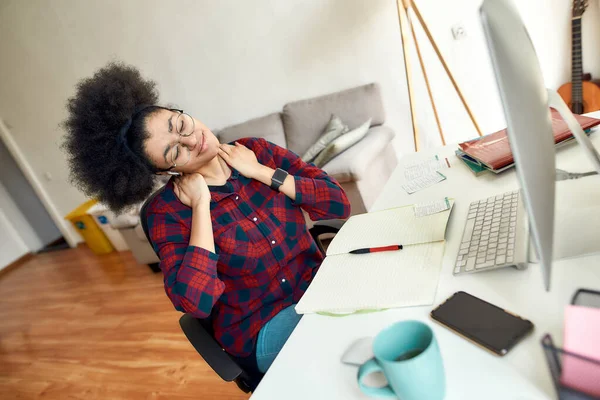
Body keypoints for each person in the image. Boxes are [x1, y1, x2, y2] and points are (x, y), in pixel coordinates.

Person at [62, 62, 351, 374]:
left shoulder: (257, 151)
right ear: (165, 171)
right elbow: (195, 302)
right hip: (262, 326)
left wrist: (262, 173)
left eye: (179, 124)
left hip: (320, 289)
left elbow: (338, 206)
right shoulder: (167, 213)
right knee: (339, 353)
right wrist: (201, 205)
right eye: (175, 152)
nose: (192, 140)